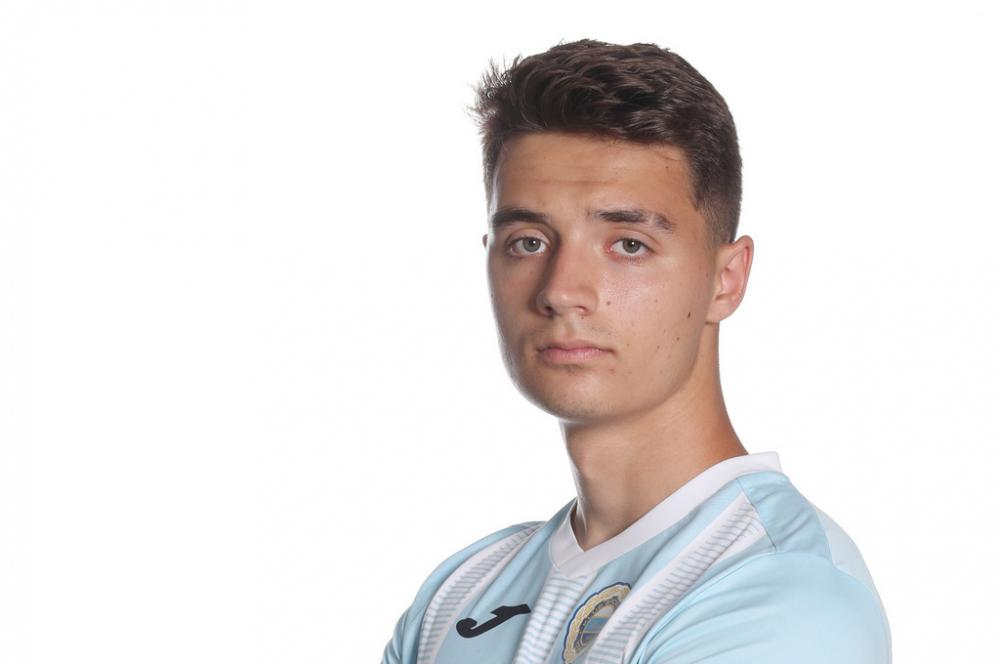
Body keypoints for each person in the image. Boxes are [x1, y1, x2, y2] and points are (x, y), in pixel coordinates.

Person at [380, 38, 892, 664]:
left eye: (628, 245)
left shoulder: (785, 597)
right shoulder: (459, 594)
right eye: (529, 242)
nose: (561, 291)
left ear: (726, 279)